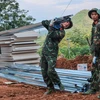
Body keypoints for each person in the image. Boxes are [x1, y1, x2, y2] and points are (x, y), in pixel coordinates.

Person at [40, 16, 73, 95]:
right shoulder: (55, 26)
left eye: (68, 24)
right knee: (44, 71)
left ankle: (59, 84)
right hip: (44, 51)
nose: (66, 24)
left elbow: (51, 35)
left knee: (50, 70)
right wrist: (53, 21)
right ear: (62, 21)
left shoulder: (61, 33)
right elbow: (43, 22)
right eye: (66, 22)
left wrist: (51, 26)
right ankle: (50, 88)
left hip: (52, 53)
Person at [82, 8, 100, 98]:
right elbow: (94, 40)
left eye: (95, 14)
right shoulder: (94, 25)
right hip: (95, 52)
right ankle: (93, 88)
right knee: (94, 70)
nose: (93, 16)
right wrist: (93, 51)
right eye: (92, 14)